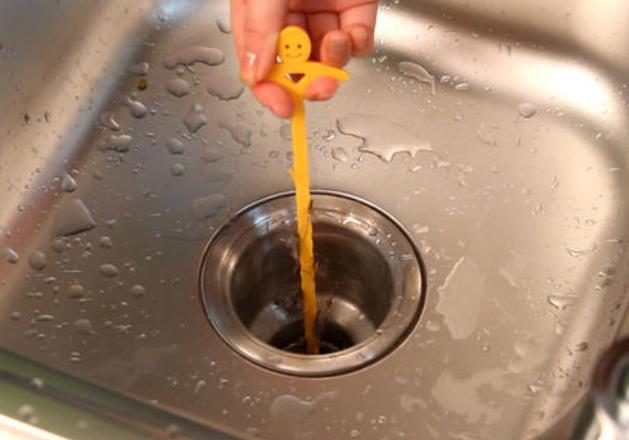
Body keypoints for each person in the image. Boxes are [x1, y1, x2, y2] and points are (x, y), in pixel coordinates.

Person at [230, 0, 378, 118]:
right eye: (288, 47)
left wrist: (340, 74)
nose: (293, 50)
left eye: (298, 46)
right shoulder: (274, 70)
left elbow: (332, 72)